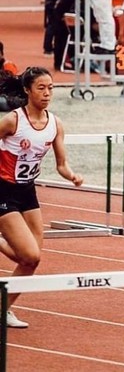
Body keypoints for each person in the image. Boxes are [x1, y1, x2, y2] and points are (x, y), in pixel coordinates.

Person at [0, 67, 83, 328]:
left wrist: (71, 176)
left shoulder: (55, 124)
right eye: (41, 88)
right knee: (30, 255)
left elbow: (61, 163)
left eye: (51, 88)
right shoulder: (13, 120)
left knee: (31, 260)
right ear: (27, 90)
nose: (47, 93)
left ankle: (4, 308)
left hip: (28, 192)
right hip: (4, 189)